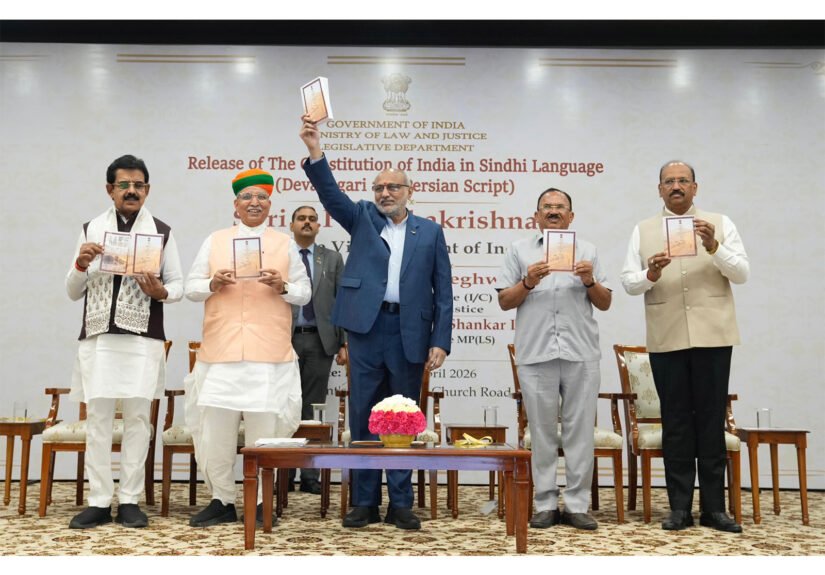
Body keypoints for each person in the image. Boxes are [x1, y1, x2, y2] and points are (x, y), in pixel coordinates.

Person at [299, 115, 453, 530]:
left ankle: (400, 503)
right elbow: (331, 196)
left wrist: (440, 340)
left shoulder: (431, 232)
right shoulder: (363, 218)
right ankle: (364, 501)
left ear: (410, 192)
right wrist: (316, 150)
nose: (385, 193)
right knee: (366, 415)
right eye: (379, 188)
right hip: (367, 330)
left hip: (410, 332)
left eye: (393, 187)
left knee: (404, 416)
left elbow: (444, 290)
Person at [620, 160, 749, 533]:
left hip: (714, 334)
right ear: (659, 189)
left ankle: (714, 509)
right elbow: (630, 283)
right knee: (675, 422)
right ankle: (678, 508)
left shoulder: (720, 224)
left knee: (710, 420)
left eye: (683, 181)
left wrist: (714, 246)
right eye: (668, 181)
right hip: (667, 335)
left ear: (696, 188)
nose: (676, 186)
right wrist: (651, 273)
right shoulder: (642, 230)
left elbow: (741, 273)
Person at [184, 168, 310, 528]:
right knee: (216, 434)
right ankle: (222, 499)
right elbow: (192, 287)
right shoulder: (216, 240)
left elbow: (305, 293)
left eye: (261, 197)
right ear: (235, 205)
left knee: (263, 436)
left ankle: (258, 502)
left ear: (270, 204)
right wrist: (213, 281)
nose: (254, 203)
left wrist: (282, 285)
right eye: (247, 197)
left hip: (267, 354)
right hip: (221, 351)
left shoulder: (284, 243)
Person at [66, 154, 183, 529]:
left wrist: (160, 290)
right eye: (124, 185)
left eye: (139, 185)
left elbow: (178, 286)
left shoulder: (162, 231)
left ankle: (130, 499)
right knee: (98, 421)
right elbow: (71, 291)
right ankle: (99, 500)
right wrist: (81, 264)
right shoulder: (90, 229)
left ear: (147, 190)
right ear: (109, 189)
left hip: (142, 339)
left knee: (137, 421)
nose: (131, 191)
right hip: (99, 338)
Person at [497, 188, 611, 531]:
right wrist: (528, 281)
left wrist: (590, 281)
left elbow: (605, 302)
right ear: (536, 216)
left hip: (580, 353)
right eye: (546, 206)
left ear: (571, 216)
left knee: (580, 433)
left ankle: (577, 505)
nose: (553, 211)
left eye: (560, 207)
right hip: (536, 352)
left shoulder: (588, 251)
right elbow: (505, 301)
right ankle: (545, 503)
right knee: (542, 433)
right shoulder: (518, 250)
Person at [288, 205, 347, 494]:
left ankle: (309, 475)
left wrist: (344, 342)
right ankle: (283, 473)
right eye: (302, 218)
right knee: (284, 406)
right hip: (283, 340)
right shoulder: (281, 255)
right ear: (292, 225)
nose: (307, 223)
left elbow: (343, 301)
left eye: (312, 219)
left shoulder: (332, 258)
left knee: (312, 407)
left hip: (319, 340)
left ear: (318, 227)